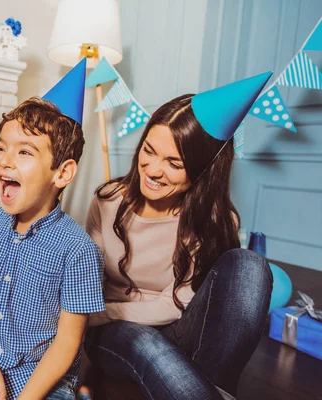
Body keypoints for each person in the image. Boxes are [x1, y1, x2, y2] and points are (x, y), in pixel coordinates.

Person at [80, 73, 275, 400]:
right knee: (144, 342)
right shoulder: (108, 200)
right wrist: (101, 316)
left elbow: (176, 306)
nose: (153, 169)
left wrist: (109, 310)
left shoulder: (213, 220)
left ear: (201, 171)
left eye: (174, 163)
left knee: (250, 265)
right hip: (113, 334)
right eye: (149, 150)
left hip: (174, 327)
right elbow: (88, 285)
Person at [0, 59, 105, 400]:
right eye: (1, 147)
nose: (5, 160)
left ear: (62, 173)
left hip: (46, 381)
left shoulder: (79, 250)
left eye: (24, 152)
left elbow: (68, 340)